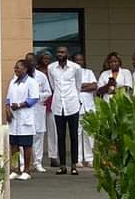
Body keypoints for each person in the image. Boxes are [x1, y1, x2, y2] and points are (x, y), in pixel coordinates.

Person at [48, 46, 82, 175]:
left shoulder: (75, 68)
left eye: (62, 52)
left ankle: (74, 165)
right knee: (60, 137)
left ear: (68, 54)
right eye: (58, 52)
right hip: (58, 106)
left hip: (72, 105)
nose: (60, 54)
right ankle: (62, 165)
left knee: (74, 136)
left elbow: (78, 85)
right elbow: (53, 85)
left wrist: (74, 97)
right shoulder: (51, 68)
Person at [6, 59, 41, 182]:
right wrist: (8, 110)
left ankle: (26, 169)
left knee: (26, 145)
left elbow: (34, 99)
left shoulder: (31, 82)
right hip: (14, 118)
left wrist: (20, 105)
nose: (16, 70)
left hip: (25, 116)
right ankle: (15, 169)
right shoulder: (12, 82)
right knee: (14, 145)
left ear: (25, 69)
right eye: (15, 68)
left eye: (18, 68)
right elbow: (8, 99)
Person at [25, 52, 52, 173]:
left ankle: (38, 162)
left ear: (35, 63)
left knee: (39, 136)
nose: (30, 63)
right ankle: (23, 163)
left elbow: (48, 92)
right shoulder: (20, 75)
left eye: (32, 61)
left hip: (39, 109)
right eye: (28, 61)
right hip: (24, 110)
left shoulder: (41, 76)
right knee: (25, 137)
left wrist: (36, 97)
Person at [74, 53, 99, 168]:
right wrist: (84, 86)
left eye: (81, 60)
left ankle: (90, 159)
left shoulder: (88, 72)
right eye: (76, 60)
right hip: (76, 107)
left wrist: (80, 87)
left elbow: (94, 86)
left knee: (89, 134)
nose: (79, 62)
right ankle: (78, 159)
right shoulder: (71, 73)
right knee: (77, 134)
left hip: (89, 107)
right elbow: (72, 87)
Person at [36, 52, 59, 167]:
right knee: (38, 131)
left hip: (52, 102)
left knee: (53, 131)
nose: (46, 60)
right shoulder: (35, 71)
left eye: (48, 58)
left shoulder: (54, 70)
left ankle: (53, 156)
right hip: (38, 103)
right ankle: (36, 159)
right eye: (44, 58)